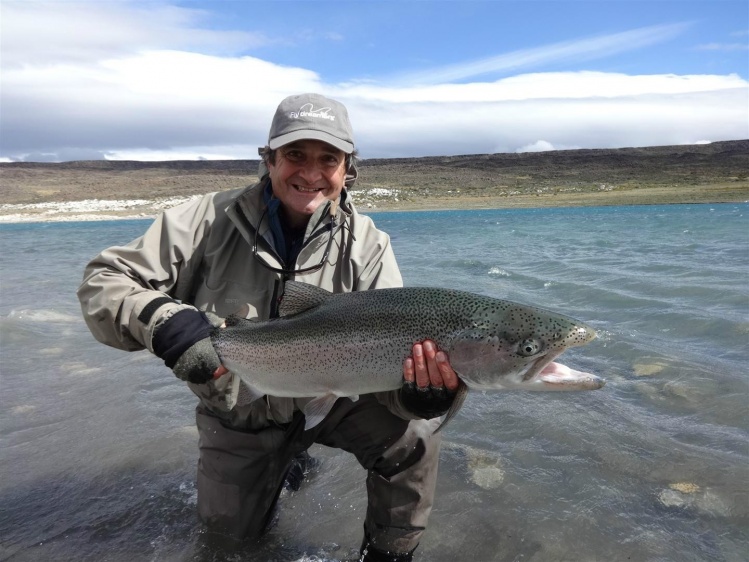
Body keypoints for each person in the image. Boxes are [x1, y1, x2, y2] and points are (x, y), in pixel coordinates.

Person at [77, 93, 460, 561]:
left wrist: (420, 395)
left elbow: (389, 363)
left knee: (417, 434)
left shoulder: (369, 245)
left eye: (328, 159)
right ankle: (281, 463)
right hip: (241, 411)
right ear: (269, 159)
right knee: (227, 547)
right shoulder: (203, 220)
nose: (311, 172)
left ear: (347, 170)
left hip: (334, 400)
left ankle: (387, 554)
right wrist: (166, 323)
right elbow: (104, 280)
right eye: (295, 155)